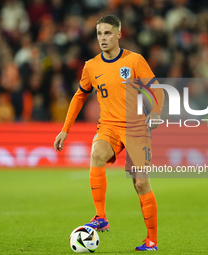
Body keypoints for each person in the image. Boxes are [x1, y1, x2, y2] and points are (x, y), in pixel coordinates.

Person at [53, 15, 164, 251]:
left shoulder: (134, 61)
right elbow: (79, 95)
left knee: (141, 184)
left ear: (118, 35)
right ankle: (100, 217)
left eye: (107, 33)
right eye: (99, 33)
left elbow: (156, 89)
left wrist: (155, 111)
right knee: (96, 154)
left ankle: (151, 240)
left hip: (136, 129)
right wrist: (65, 130)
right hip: (109, 127)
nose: (103, 38)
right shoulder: (91, 66)